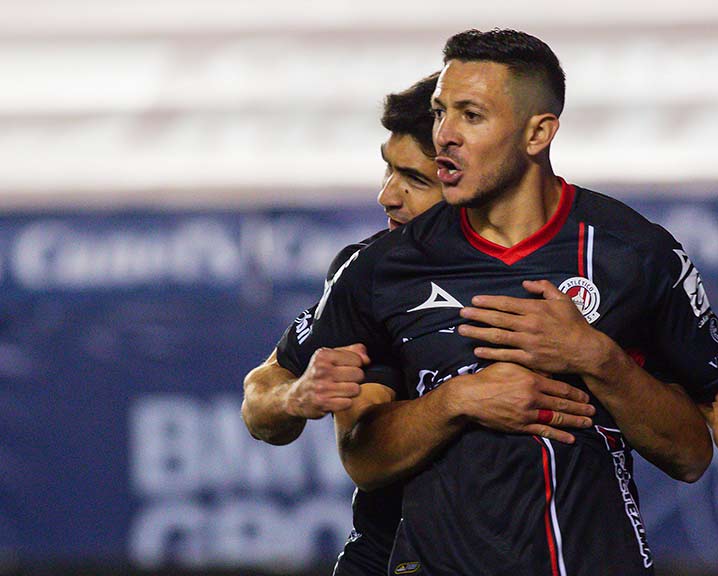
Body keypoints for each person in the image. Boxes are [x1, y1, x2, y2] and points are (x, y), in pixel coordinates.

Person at [302, 29, 718, 576]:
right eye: (440, 113)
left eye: (471, 116)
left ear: (538, 133)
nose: (444, 137)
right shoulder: (384, 268)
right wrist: (459, 399)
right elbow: (361, 459)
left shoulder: (634, 253)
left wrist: (594, 357)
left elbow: (696, 452)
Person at [241, 72, 601, 576]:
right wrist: (295, 397)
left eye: (415, 180)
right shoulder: (377, 273)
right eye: (388, 170)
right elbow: (334, 441)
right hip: (395, 559)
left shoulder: (594, 261)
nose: (388, 196)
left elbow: (690, 442)